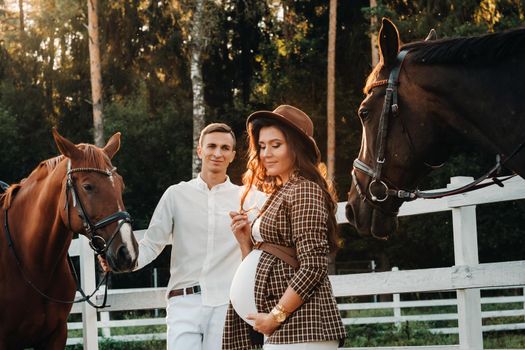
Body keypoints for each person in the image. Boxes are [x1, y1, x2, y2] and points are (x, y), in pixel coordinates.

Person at [100, 123, 265, 350]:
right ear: (199, 151)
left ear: (233, 155)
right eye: (212, 146)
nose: (217, 153)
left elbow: (276, 234)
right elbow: (151, 244)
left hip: (226, 304)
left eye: (225, 148)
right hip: (183, 303)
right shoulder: (176, 195)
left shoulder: (249, 198)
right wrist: (123, 262)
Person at [224, 105, 346, 349]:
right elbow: (267, 264)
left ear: (296, 148)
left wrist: (275, 316)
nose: (266, 153)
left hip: (303, 324)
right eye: (262, 146)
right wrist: (246, 243)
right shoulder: (282, 191)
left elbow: (313, 265)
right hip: (282, 325)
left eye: (276, 145)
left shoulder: (304, 189)